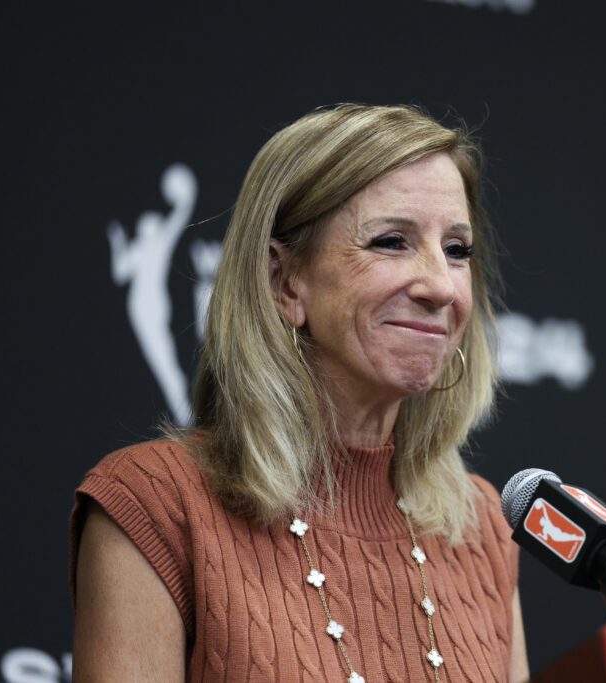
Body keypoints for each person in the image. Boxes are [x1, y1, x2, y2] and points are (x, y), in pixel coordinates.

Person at [70, 104, 529, 682]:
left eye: (457, 250)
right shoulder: (156, 505)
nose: (441, 286)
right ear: (285, 282)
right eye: (391, 241)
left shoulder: (482, 525)